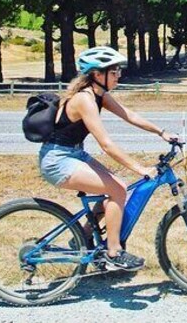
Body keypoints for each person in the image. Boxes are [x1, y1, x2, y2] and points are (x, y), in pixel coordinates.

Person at [38, 46, 178, 271]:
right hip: (58, 160)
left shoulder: (99, 95)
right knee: (119, 190)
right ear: (97, 74)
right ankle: (114, 252)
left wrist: (161, 132)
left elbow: (129, 115)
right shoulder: (84, 99)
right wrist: (139, 168)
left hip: (74, 153)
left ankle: (81, 237)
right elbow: (106, 144)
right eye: (114, 72)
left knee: (113, 192)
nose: (118, 76)